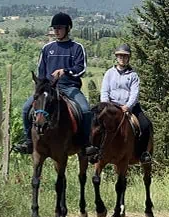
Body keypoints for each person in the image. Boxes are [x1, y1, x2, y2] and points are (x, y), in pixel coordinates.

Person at [13, 12, 91, 153]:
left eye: (59, 28)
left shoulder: (77, 47)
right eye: (54, 28)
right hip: (48, 90)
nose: (56, 31)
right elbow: (41, 72)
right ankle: (28, 141)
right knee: (25, 108)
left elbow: (81, 69)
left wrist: (65, 71)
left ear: (68, 28)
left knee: (85, 110)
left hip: (69, 87)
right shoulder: (47, 48)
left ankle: (85, 143)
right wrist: (40, 88)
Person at [97, 44, 153, 164]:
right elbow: (104, 91)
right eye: (120, 56)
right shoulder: (109, 73)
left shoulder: (133, 75)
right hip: (111, 107)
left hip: (129, 107)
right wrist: (106, 105)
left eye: (125, 56)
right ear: (116, 57)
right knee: (94, 123)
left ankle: (144, 153)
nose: (122, 58)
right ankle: (94, 150)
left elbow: (134, 93)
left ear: (128, 58)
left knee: (145, 124)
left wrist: (128, 106)